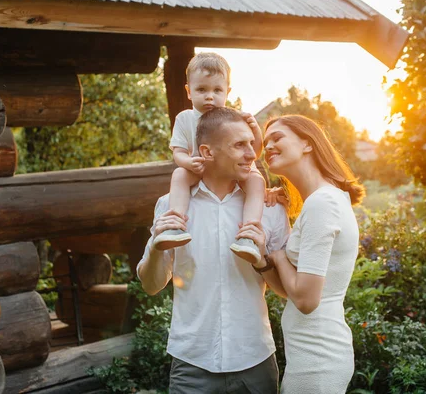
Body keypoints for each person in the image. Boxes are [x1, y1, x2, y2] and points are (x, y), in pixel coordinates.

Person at [137, 107, 291, 394]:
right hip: (192, 363)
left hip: (255, 361)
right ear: (207, 151)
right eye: (239, 145)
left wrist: (263, 260)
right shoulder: (171, 206)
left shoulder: (269, 210)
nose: (252, 154)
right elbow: (150, 285)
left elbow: (285, 290)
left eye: (250, 143)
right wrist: (157, 248)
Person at [241, 115, 365, 393]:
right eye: (266, 139)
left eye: (277, 137)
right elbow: (293, 292)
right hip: (310, 353)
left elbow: (307, 300)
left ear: (307, 144)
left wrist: (280, 255)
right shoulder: (324, 199)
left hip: (317, 358)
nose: (267, 145)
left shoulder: (322, 203)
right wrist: (264, 260)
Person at [153, 52, 267, 265]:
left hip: (231, 170)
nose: (209, 96)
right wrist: (188, 162)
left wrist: (255, 130)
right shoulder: (185, 118)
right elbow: (178, 152)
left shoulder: (233, 119)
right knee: (179, 175)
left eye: (217, 90)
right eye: (201, 89)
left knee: (256, 180)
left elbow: (254, 153)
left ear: (228, 92)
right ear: (188, 91)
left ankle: (249, 234)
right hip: (199, 169)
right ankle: (175, 224)